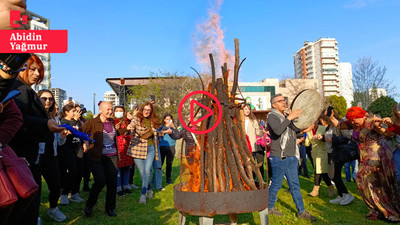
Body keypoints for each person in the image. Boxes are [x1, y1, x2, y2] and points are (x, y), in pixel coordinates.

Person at [9, 54, 65, 225]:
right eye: (32, 68)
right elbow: (18, 118)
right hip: (20, 154)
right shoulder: (18, 88)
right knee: (25, 200)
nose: (35, 73)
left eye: (38, 70)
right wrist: (46, 123)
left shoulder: (26, 89)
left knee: (32, 197)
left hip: (30, 154)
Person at [330, 106, 400, 221]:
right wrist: (331, 117)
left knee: (377, 182)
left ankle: (390, 211)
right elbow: (339, 125)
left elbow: (388, 134)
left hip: (379, 156)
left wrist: (380, 126)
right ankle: (377, 209)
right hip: (366, 156)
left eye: (354, 119)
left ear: (361, 116)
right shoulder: (353, 124)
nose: (352, 122)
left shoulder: (371, 122)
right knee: (365, 182)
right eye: (351, 120)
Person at [267, 94, 316, 221]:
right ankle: (269, 207)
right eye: (280, 101)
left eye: (284, 100)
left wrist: (304, 130)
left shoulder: (284, 117)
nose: (284, 102)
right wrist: (290, 117)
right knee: (276, 185)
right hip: (279, 157)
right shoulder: (271, 116)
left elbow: (291, 131)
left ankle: (301, 211)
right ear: (274, 105)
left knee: (295, 185)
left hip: (291, 156)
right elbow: (278, 131)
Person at [82, 101, 119, 217]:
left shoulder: (112, 122)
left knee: (112, 183)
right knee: (100, 181)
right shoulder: (92, 122)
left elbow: (115, 134)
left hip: (112, 156)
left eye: (111, 109)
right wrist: (85, 141)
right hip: (97, 157)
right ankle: (90, 205)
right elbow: (81, 132)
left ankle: (110, 208)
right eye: (108, 109)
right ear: (101, 110)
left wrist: (126, 129)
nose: (110, 111)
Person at [37, 89, 68, 222]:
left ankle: (53, 209)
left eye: (50, 98)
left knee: (56, 185)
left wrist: (62, 136)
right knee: (35, 189)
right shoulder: (34, 115)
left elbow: (59, 142)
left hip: (51, 155)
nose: (48, 101)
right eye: (44, 98)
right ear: (37, 99)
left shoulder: (54, 118)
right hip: (35, 156)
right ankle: (34, 215)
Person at [127, 102, 161, 204]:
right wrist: (131, 125)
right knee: (142, 172)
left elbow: (156, 131)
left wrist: (165, 131)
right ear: (142, 110)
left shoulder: (153, 120)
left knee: (147, 171)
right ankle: (149, 188)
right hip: (138, 148)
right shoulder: (137, 118)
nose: (146, 112)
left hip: (150, 148)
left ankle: (143, 195)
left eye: (149, 110)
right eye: (145, 109)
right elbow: (133, 122)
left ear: (151, 111)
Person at [59, 104, 84, 205]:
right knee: (72, 170)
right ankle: (65, 194)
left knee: (80, 171)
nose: (76, 113)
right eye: (73, 111)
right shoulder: (63, 121)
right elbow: (69, 129)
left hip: (78, 148)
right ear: (66, 112)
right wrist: (75, 120)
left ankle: (75, 193)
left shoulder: (77, 121)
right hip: (67, 149)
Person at [305, 112, 335, 197]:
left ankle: (315, 191)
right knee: (323, 173)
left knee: (318, 172)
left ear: (317, 121)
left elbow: (328, 138)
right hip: (315, 154)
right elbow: (307, 144)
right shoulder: (309, 131)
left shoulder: (323, 128)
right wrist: (305, 139)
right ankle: (331, 189)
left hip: (323, 154)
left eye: (313, 121)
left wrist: (321, 137)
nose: (312, 124)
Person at [113, 106, 134, 196]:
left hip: (127, 147)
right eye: (116, 111)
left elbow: (130, 134)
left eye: (120, 111)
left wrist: (129, 131)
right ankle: (118, 188)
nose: (118, 112)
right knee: (118, 169)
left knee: (127, 167)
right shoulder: (112, 122)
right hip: (117, 148)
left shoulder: (127, 121)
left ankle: (126, 185)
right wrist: (116, 129)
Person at [242, 104, 265, 181]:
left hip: (251, 144)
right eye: (245, 109)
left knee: (251, 163)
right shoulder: (239, 120)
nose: (247, 111)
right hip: (242, 144)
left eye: (248, 109)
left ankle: (253, 179)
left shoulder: (253, 120)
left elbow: (258, 132)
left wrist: (263, 133)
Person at [157, 113, 177, 185]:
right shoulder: (161, 127)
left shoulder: (173, 127)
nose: (168, 121)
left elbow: (178, 134)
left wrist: (173, 127)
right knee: (160, 163)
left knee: (169, 163)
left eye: (170, 119)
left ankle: (168, 179)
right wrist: (166, 128)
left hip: (171, 147)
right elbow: (158, 132)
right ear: (164, 120)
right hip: (162, 146)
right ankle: (156, 178)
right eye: (167, 119)